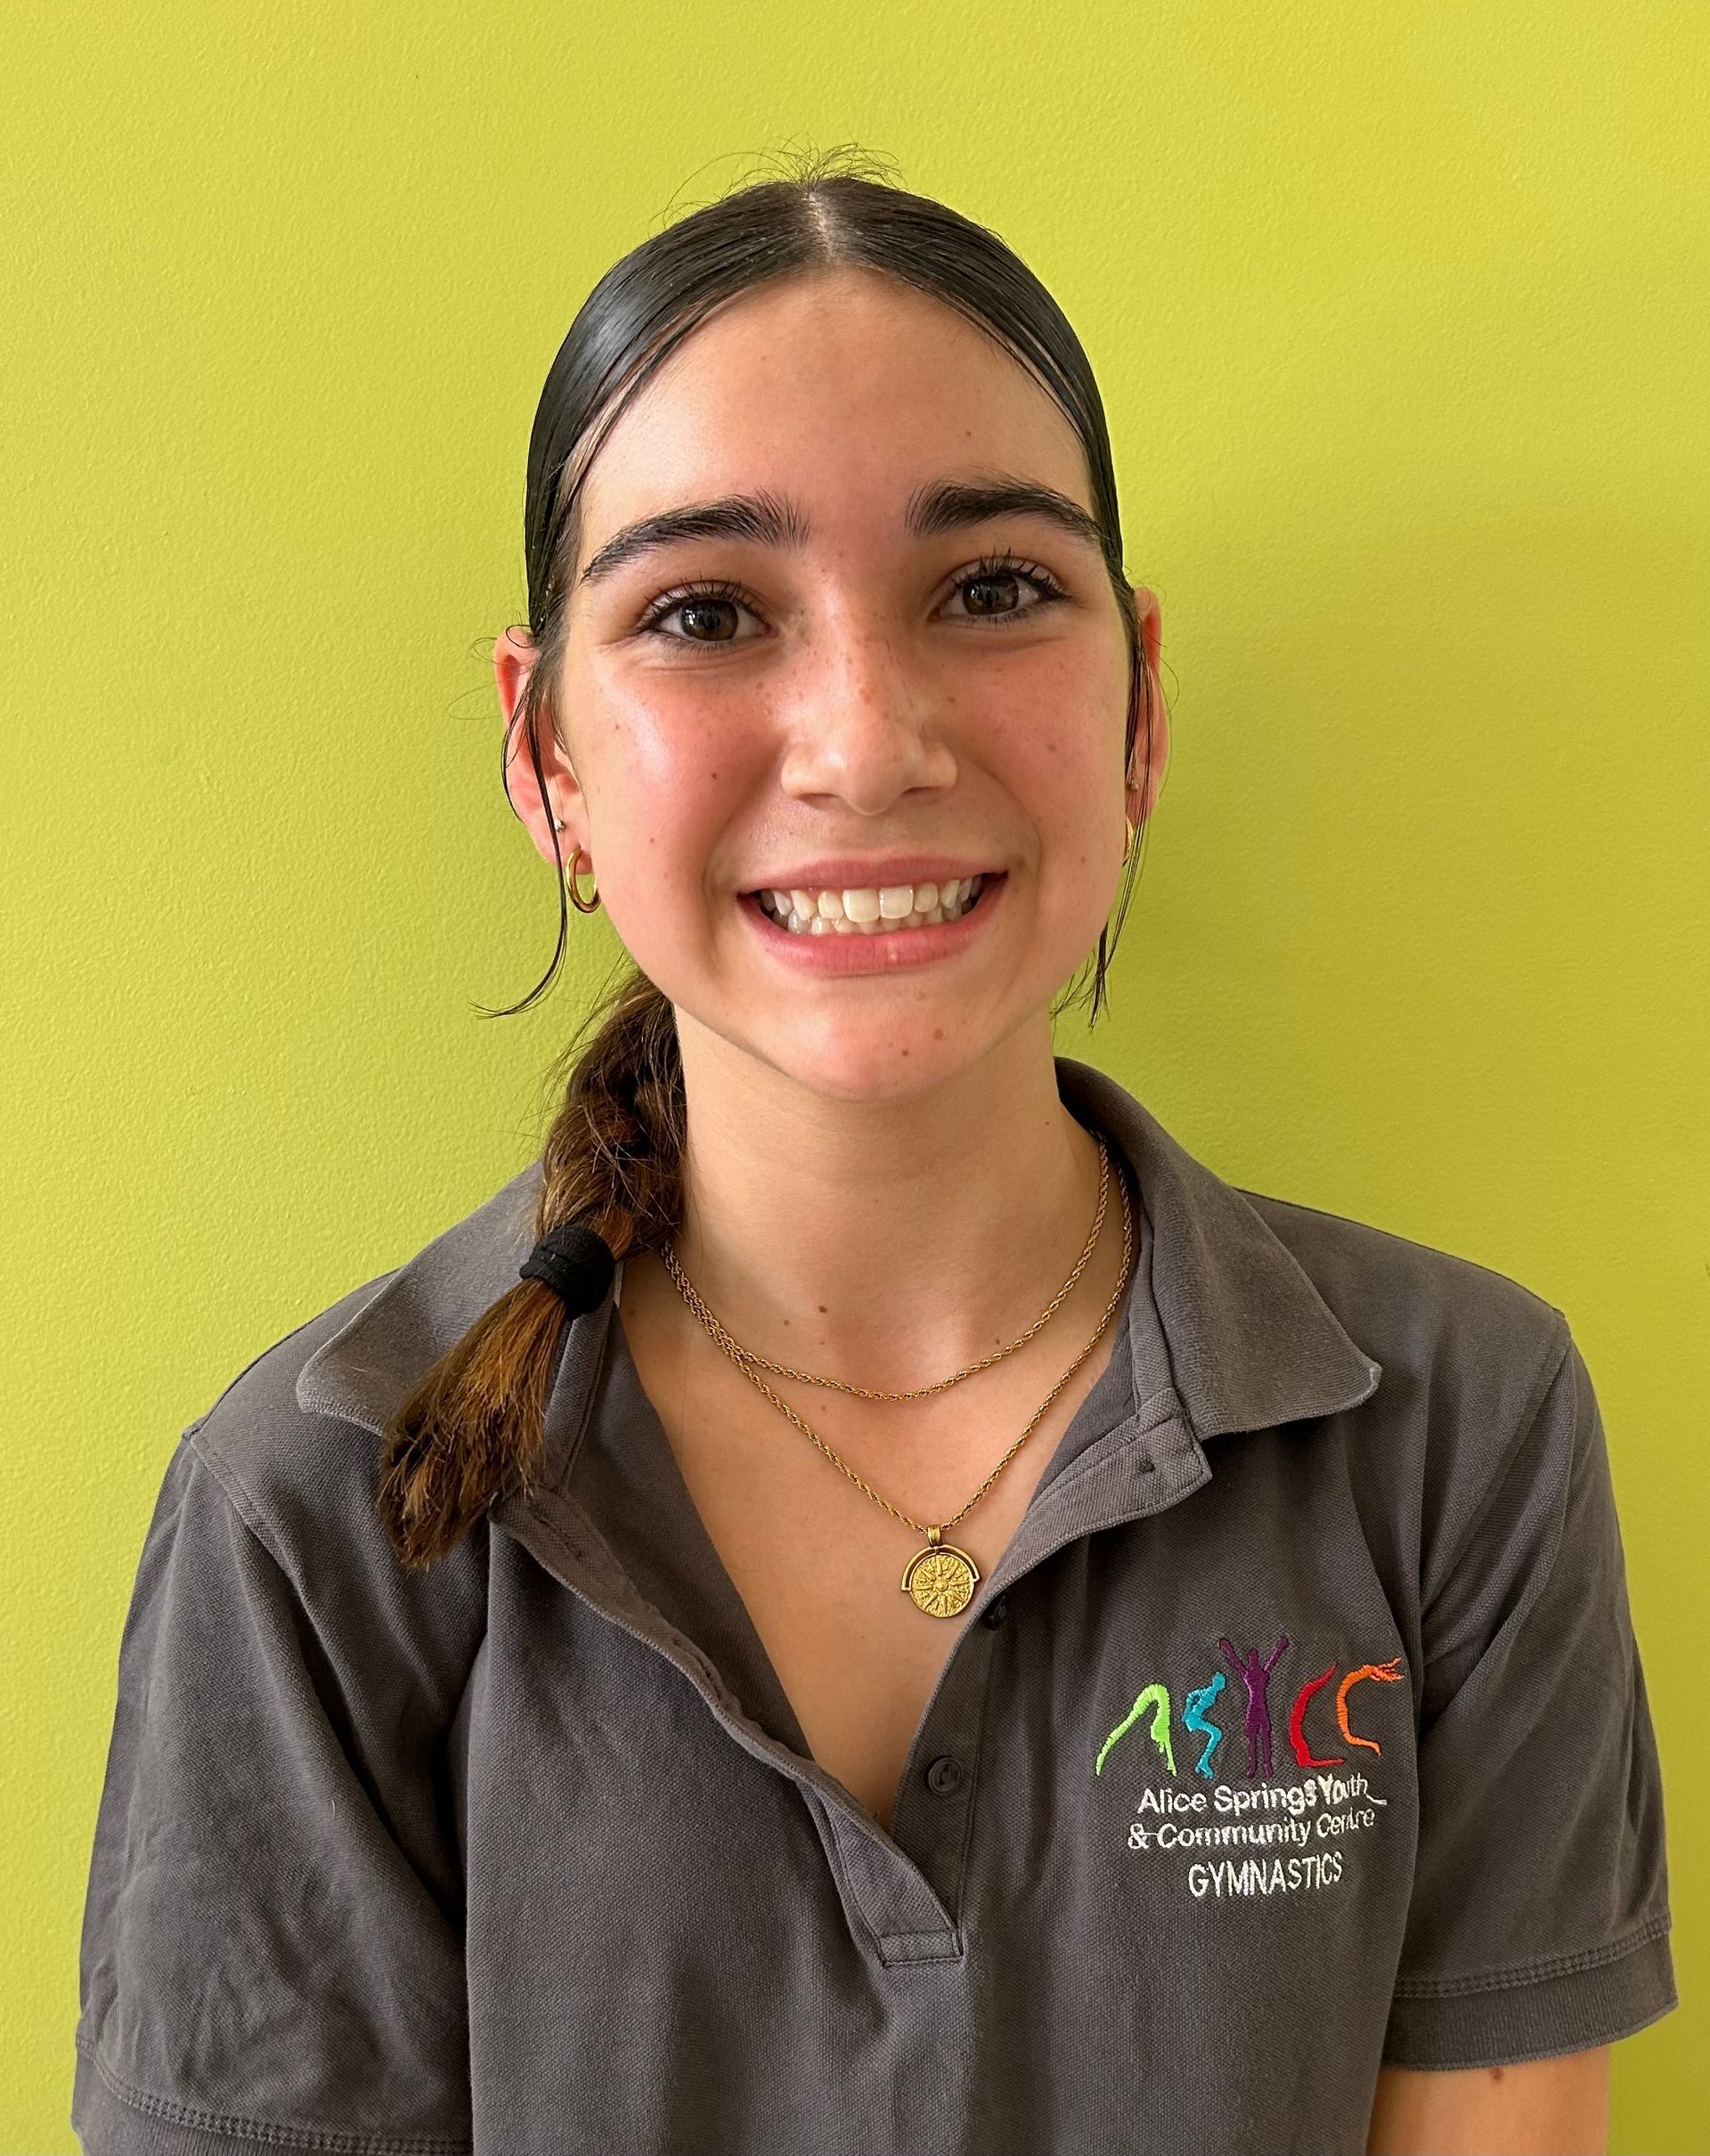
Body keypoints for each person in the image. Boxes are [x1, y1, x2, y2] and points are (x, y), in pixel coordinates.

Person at [72, 151, 1674, 2156]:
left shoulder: (1457, 1428)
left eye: (991, 588)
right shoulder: (315, 1515)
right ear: (547, 757)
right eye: (705, 611)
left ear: (1141, 703)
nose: (865, 738)